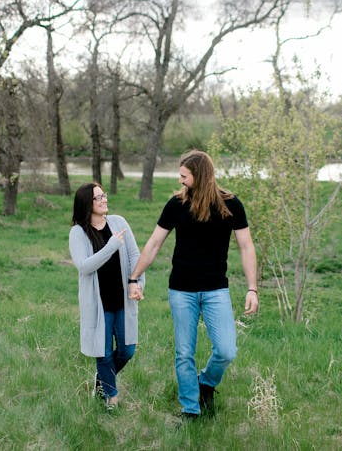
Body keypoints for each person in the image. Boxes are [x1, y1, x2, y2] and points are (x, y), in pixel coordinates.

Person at [128, 150, 258, 419]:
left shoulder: (231, 204)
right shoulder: (176, 205)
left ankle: (206, 384)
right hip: (181, 290)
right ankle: (190, 409)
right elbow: (154, 243)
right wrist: (134, 277)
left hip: (216, 290)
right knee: (184, 352)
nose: (180, 180)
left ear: (200, 176)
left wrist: (252, 288)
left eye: (184, 176)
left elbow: (246, 246)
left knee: (226, 350)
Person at [69, 182, 144, 410]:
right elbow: (84, 266)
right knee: (102, 352)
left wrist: (137, 283)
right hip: (98, 303)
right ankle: (111, 398)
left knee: (126, 350)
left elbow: (134, 255)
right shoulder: (78, 233)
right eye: (98, 197)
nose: (104, 200)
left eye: (104, 195)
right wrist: (111, 246)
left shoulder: (118, 223)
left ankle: (101, 379)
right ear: (86, 204)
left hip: (122, 299)